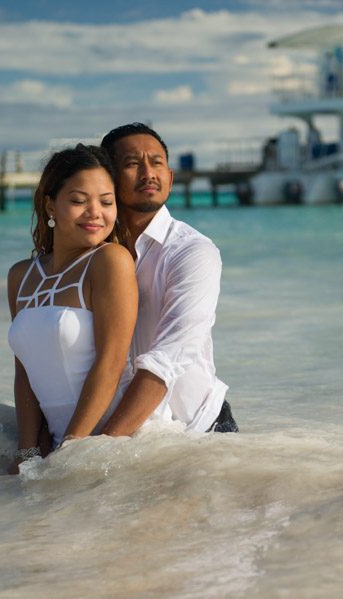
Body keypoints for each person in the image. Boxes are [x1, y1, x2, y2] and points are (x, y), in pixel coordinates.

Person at [98, 122, 237, 436]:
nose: (149, 173)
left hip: (198, 431)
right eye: (132, 163)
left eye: (157, 163)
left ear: (171, 179)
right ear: (108, 178)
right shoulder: (94, 254)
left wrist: (100, 446)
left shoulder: (192, 251)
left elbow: (169, 358)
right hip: (132, 432)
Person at [6, 144, 139, 473]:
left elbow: (111, 362)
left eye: (106, 202)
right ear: (50, 205)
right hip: (59, 445)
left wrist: (71, 449)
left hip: (113, 449)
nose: (95, 212)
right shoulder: (21, 276)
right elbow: (24, 373)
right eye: (79, 201)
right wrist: (27, 452)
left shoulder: (110, 261)